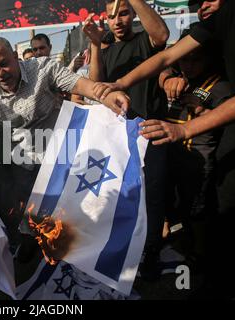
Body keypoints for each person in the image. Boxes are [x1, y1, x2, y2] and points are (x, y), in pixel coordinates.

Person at [99, 0, 235, 298]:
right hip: (200, 152)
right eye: (195, 1)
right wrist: (120, 82)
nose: (201, 5)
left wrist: (184, 129)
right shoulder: (212, 22)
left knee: (228, 214)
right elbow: (167, 56)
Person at [0, 37, 128, 263]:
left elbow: (80, 84)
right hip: (25, 163)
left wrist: (105, 95)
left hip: (62, 157)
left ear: (16, 58)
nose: (0, 73)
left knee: (72, 211)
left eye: (4, 63)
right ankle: (32, 245)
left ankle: (82, 254)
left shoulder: (43, 68)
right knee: (31, 212)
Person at [84, 0, 170, 280]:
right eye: (111, 16)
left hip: (152, 132)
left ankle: (152, 252)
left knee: (153, 197)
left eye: (123, 13)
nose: (117, 20)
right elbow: (95, 88)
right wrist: (95, 46)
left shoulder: (147, 41)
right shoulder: (105, 50)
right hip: (118, 139)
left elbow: (162, 35)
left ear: (133, 14)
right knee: (122, 198)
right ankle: (125, 250)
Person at [162, 26, 231, 270]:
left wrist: (205, 110)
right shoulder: (179, 79)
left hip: (199, 161)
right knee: (175, 205)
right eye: (184, 59)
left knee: (198, 211)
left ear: (209, 58)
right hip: (173, 158)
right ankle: (179, 242)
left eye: (195, 59)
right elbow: (162, 68)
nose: (188, 65)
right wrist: (167, 77)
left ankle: (201, 253)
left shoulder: (220, 86)